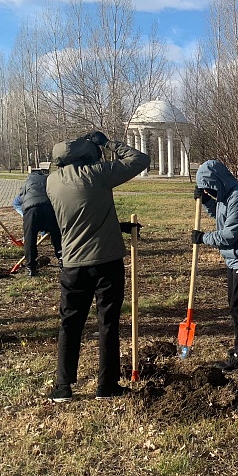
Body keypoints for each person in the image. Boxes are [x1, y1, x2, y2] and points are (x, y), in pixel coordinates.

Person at [45, 131, 150, 402]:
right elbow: (139, 159)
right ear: (89, 156)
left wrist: (117, 227)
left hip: (72, 264)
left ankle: (63, 387)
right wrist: (107, 142)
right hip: (106, 262)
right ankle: (107, 385)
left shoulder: (52, 182)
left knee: (70, 323)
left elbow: (81, 216)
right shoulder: (98, 174)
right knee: (108, 322)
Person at [192, 159, 238, 373]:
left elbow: (229, 235)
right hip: (237, 259)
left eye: (209, 186)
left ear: (218, 181)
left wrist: (203, 237)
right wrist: (206, 201)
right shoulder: (227, 196)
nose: (209, 190)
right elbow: (221, 216)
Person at [15, 169, 62, 276]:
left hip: (31, 210)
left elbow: (20, 200)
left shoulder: (26, 183)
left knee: (30, 239)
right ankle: (62, 260)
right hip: (49, 208)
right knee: (57, 236)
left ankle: (31, 268)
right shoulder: (49, 180)